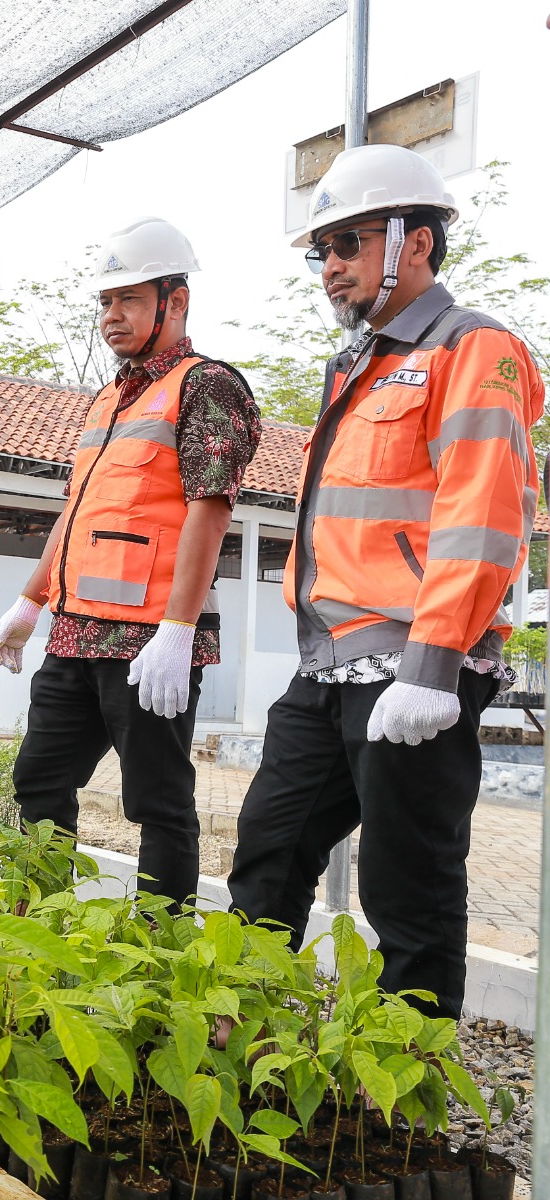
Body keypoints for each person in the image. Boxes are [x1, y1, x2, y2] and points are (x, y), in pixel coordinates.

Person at [226, 144, 544, 1019]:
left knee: (407, 881)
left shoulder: (474, 348)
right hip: (329, 659)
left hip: (416, 665)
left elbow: (483, 513)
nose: (330, 268)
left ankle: (408, 1090)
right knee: (267, 848)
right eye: (320, 251)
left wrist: (435, 662)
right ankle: (235, 1037)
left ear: (414, 242)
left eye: (349, 244)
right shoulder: (353, 365)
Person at [0, 219, 260, 909]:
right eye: (106, 302)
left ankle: (159, 947)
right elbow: (77, 512)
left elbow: (210, 510)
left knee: (157, 802)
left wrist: (179, 629)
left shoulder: (208, 386)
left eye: (130, 299)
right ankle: (38, 920)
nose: (112, 316)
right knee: (39, 780)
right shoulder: (108, 398)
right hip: (76, 633)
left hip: (151, 643)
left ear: (176, 302)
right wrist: (29, 604)